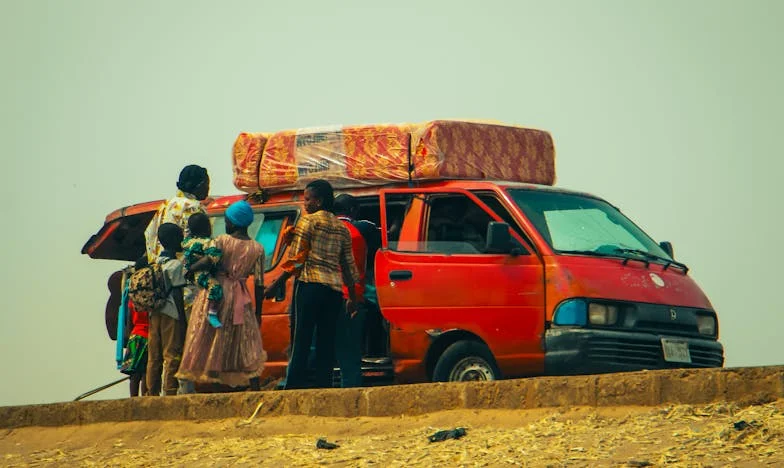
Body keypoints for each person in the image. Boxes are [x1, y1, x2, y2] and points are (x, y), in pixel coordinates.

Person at [266, 180, 362, 390]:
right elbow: (348, 267)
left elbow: (297, 259)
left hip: (309, 285)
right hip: (333, 291)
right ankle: (323, 389)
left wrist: (277, 283)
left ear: (318, 201)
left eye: (308, 199)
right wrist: (353, 298)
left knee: (301, 340)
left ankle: (293, 388)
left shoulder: (308, 222)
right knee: (325, 343)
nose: (305, 203)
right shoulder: (342, 228)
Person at [176, 200, 267, 390]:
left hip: (217, 294)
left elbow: (210, 260)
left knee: (211, 338)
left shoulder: (221, 241)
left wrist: (191, 268)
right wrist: (258, 312)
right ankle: (255, 386)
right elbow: (259, 284)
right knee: (245, 341)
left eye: (226, 221)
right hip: (241, 298)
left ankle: (215, 389)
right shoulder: (258, 249)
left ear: (232, 222)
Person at [144, 164, 209, 394]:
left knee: (158, 347)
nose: (208, 188)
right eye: (206, 183)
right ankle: (181, 389)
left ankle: (154, 392)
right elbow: (200, 245)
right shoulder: (194, 208)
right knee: (185, 339)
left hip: (160, 283)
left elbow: (149, 236)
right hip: (186, 284)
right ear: (198, 184)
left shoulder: (164, 206)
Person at [145, 223, 187, 396]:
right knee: (171, 353)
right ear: (175, 240)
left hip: (154, 312)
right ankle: (169, 391)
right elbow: (177, 293)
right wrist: (182, 320)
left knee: (154, 355)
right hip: (171, 313)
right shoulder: (176, 265)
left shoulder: (154, 263)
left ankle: (151, 392)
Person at [332, 194, 368, 387]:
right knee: (349, 356)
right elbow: (350, 270)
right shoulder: (354, 234)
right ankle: (351, 394)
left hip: (327, 297)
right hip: (349, 298)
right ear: (353, 211)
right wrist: (352, 298)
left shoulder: (324, 231)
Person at [182, 213, 224, 329]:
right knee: (216, 288)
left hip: (190, 278)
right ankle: (212, 313)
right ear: (207, 227)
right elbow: (211, 258)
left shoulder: (187, 241)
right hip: (202, 274)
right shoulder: (208, 242)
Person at [120, 256, 151, 397]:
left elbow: (129, 321)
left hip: (135, 336)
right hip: (148, 336)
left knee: (134, 373)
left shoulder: (133, 296)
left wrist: (127, 338)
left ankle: (133, 399)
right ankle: (144, 398)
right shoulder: (151, 295)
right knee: (145, 372)